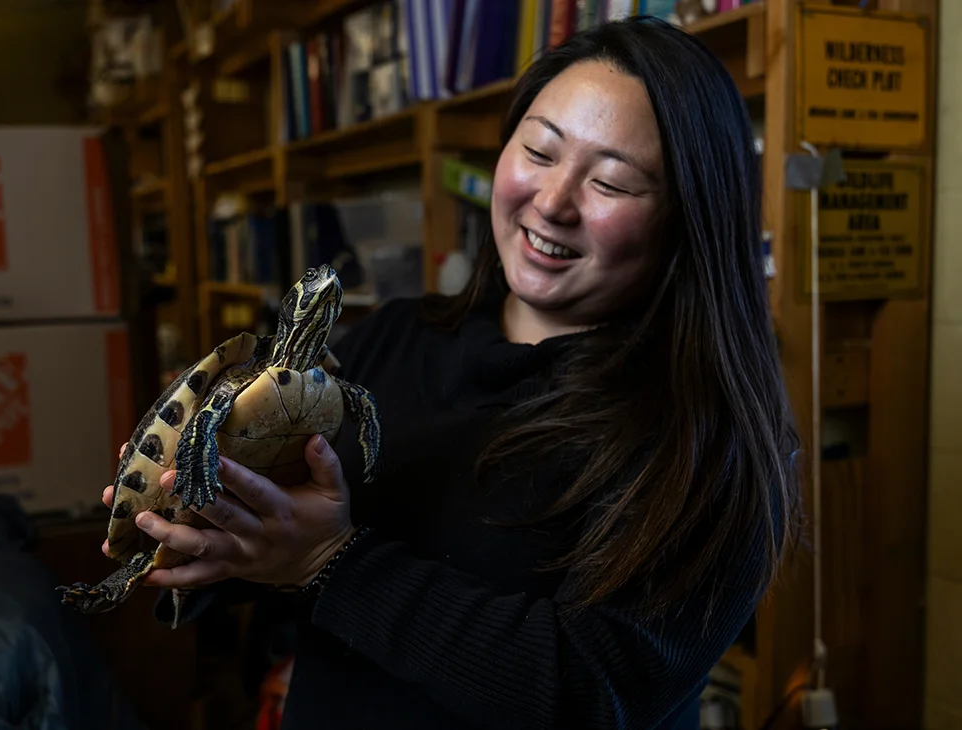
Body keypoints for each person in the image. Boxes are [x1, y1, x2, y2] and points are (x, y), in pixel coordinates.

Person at [102, 15, 802, 730]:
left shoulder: (714, 437)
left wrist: (328, 561)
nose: (554, 202)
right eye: (539, 150)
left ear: (689, 217)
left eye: (612, 183)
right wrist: (215, 532)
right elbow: (281, 553)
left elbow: (589, 693)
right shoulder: (394, 336)